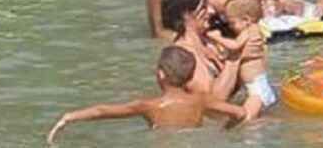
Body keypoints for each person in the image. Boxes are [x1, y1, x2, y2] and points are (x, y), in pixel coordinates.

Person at [46, 46, 245, 143]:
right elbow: (240, 113)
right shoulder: (201, 101)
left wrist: (69, 117)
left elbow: (103, 111)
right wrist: (224, 131)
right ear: (191, 76)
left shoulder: (149, 106)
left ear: (160, 74)